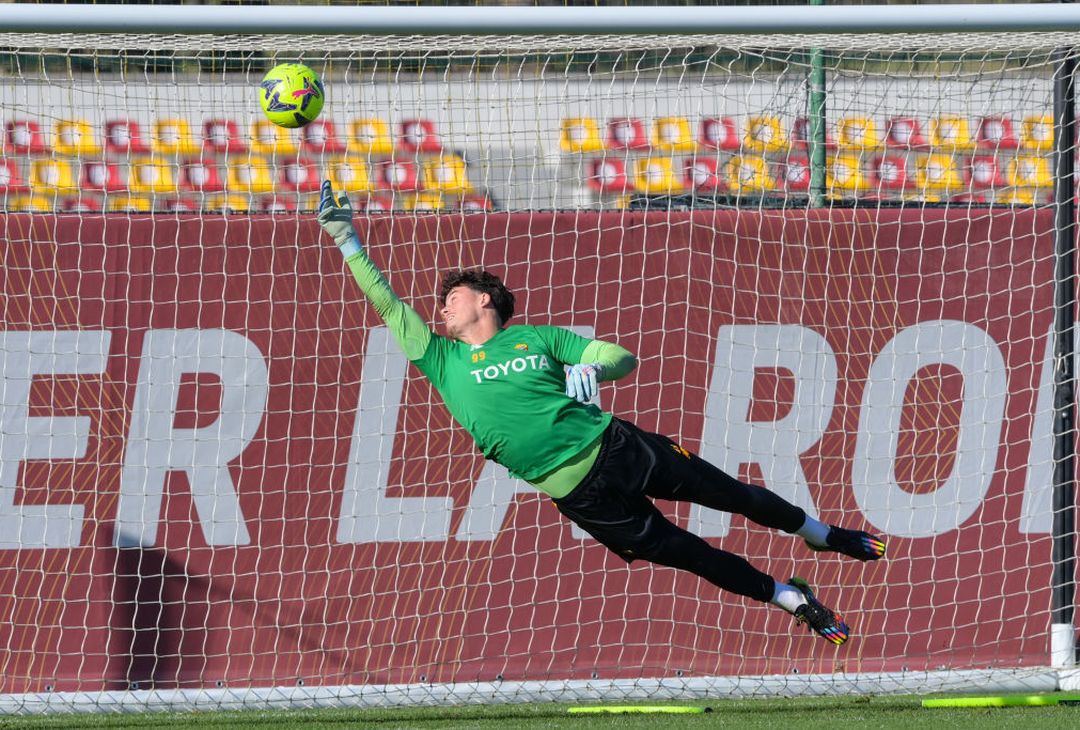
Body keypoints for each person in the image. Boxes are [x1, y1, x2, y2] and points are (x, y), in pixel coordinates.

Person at [317, 181, 886, 646]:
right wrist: (347, 239)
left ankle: (820, 532)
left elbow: (618, 356)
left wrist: (594, 371)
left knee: (732, 496)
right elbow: (388, 304)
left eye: (453, 296)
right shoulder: (440, 358)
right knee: (689, 554)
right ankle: (791, 597)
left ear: (484, 299)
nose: (441, 305)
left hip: (617, 447)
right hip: (574, 492)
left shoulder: (535, 338)